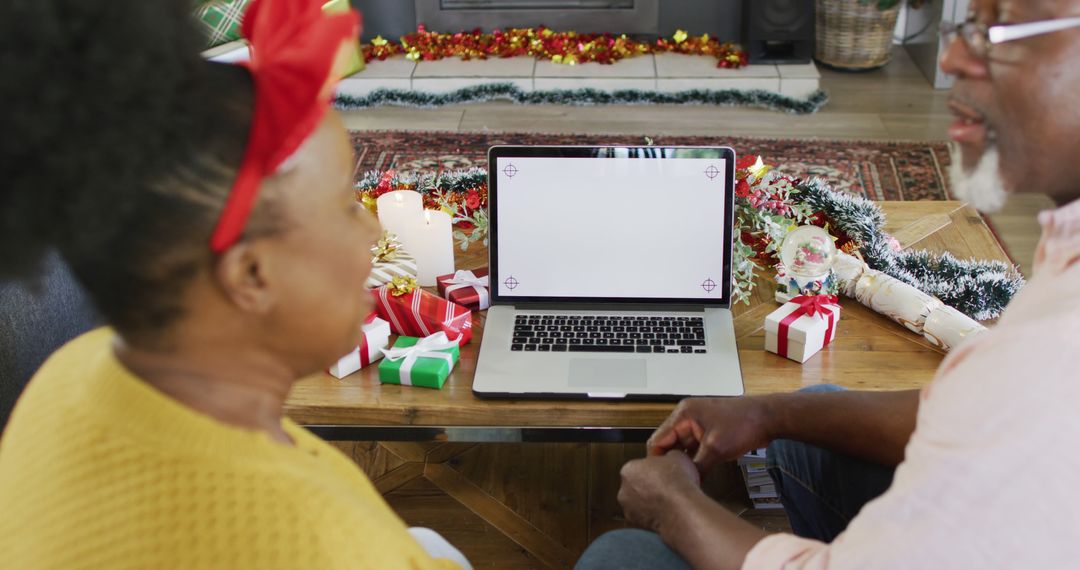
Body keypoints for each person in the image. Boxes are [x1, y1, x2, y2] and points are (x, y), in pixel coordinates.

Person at [576, 0, 1080, 568]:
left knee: (620, 554)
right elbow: (972, 405)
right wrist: (766, 414)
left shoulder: (1058, 355)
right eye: (968, 25)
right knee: (808, 407)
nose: (956, 54)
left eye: (1000, 29)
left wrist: (671, 506)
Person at [0, 1, 469, 568]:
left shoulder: (64, 374)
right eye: (346, 206)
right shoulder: (324, 541)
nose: (372, 230)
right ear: (250, 275)